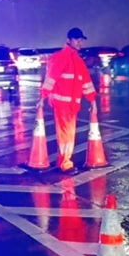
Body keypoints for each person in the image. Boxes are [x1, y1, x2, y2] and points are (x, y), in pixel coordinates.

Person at [40, 27, 97, 173]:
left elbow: (86, 82)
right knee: (65, 135)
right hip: (61, 104)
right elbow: (50, 79)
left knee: (69, 135)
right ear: (68, 40)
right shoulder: (60, 57)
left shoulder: (78, 61)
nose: (80, 43)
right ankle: (65, 163)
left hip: (73, 106)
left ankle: (65, 160)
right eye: (77, 40)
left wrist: (92, 101)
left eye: (81, 40)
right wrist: (42, 97)